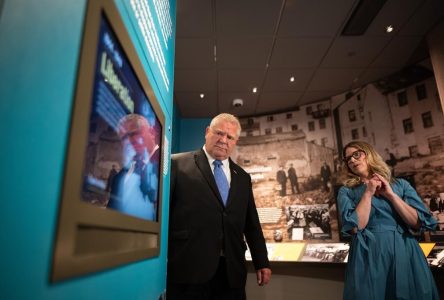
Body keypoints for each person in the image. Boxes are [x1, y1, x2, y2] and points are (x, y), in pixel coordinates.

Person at [168, 113, 271, 299]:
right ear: (207, 132)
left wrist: (261, 261)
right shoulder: (177, 164)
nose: (223, 140)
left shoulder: (243, 177)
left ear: (235, 141)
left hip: (231, 272)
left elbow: (252, 224)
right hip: (189, 269)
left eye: (229, 137)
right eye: (219, 133)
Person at [337, 140, 439, 300]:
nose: (352, 160)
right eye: (348, 159)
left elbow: (418, 222)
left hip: (404, 250)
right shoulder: (347, 191)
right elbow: (356, 227)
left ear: (369, 154)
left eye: (356, 154)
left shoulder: (401, 185)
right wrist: (368, 193)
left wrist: (391, 195)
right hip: (369, 254)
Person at [107, 114, 160, 221]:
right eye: (124, 137)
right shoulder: (121, 176)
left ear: (152, 132)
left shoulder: (169, 165)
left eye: (134, 133)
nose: (130, 140)